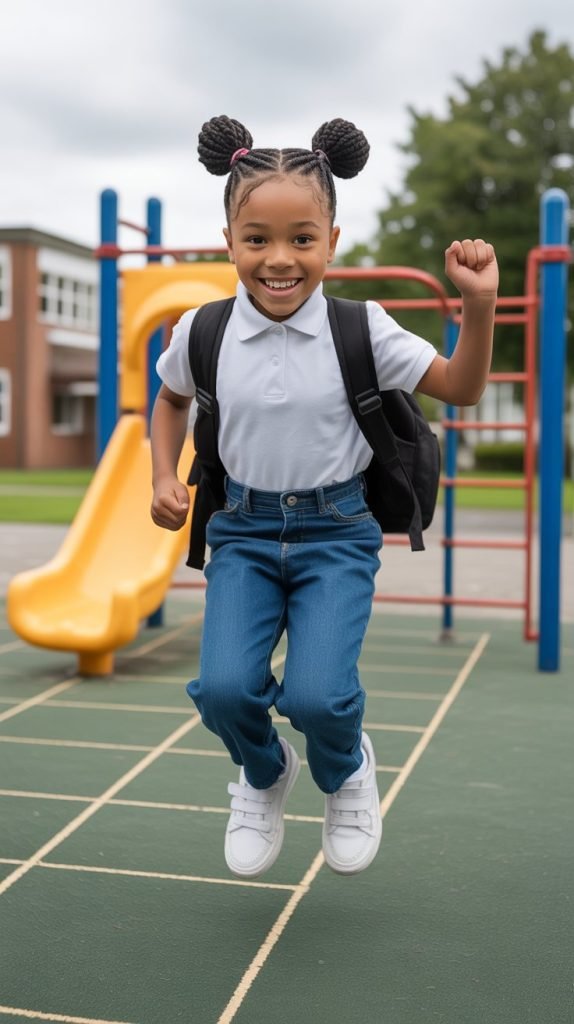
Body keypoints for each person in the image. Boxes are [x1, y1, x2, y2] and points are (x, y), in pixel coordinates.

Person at [150, 115, 498, 880]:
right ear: (229, 238)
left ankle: (344, 773)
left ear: (333, 240)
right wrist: (163, 475)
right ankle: (265, 772)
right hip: (241, 528)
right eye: (258, 239)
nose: (279, 259)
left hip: (334, 531)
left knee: (318, 697)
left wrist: (477, 306)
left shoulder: (363, 329)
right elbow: (170, 399)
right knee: (223, 690)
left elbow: (464, 388)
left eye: (302, 239)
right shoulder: (202, 331)